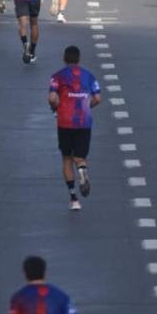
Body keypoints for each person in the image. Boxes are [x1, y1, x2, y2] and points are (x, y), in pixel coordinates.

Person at [48, 45, 101, 210]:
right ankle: (82, 170)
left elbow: (52, 98)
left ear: (64, 59)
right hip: (84, 121)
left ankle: (73, 198)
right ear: (79, 59)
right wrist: (87, 106)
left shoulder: (57, 77)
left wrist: (56, 107)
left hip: (65, 121)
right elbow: (97, 98)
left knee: (66, 158)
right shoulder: (90, 76)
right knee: (80, 157)